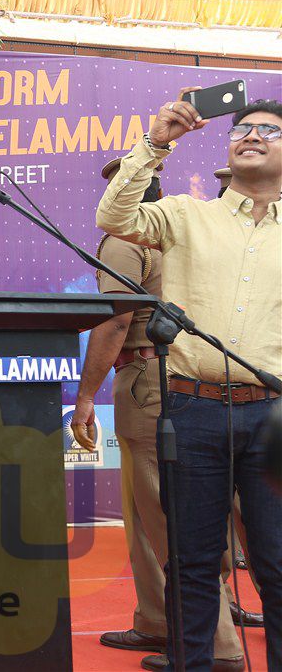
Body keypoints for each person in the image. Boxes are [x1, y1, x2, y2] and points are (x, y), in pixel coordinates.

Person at [97, 95, 281, 672]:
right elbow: (115, 218)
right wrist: (156, 142)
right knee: (192, 563)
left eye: (268, 130)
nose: (250, 135)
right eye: (242, 129)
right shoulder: (183, 215)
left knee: (276, 566)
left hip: (274, 416)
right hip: (192, 410)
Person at [74, 159, 248, 668]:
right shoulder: (196, 234)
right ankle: (158, 621)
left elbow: (114, 322)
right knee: (150, 508)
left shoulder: (128, 238)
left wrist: (85, 397)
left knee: (168, 514)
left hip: (148, 380)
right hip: (193, 382)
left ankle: (214, 646)